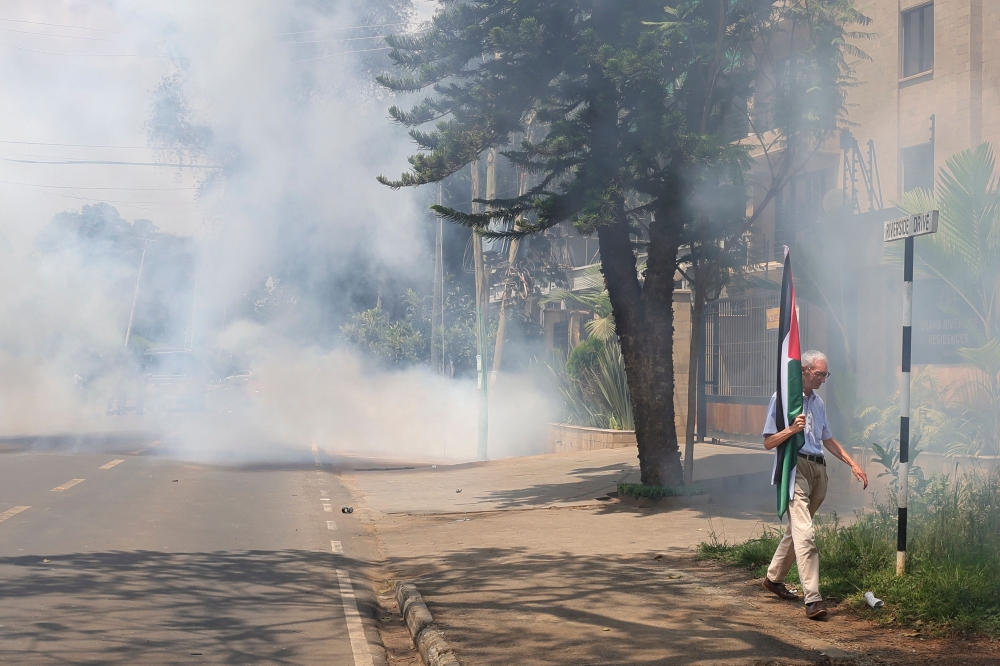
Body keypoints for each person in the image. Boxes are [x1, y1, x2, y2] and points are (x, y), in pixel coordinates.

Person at [760, 349, 868, 619]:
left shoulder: (818, 402)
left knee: (796, 529)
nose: (823, 379)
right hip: (794, 466)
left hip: (818, 469)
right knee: (806, 533)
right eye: (819, 373)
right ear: (804, 371)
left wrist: (852, 463)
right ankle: (813, 599)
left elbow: (827, 438)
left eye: (825, 374)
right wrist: (791, 430)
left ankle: (773, 579)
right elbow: (768, 442)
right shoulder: (783, 400)